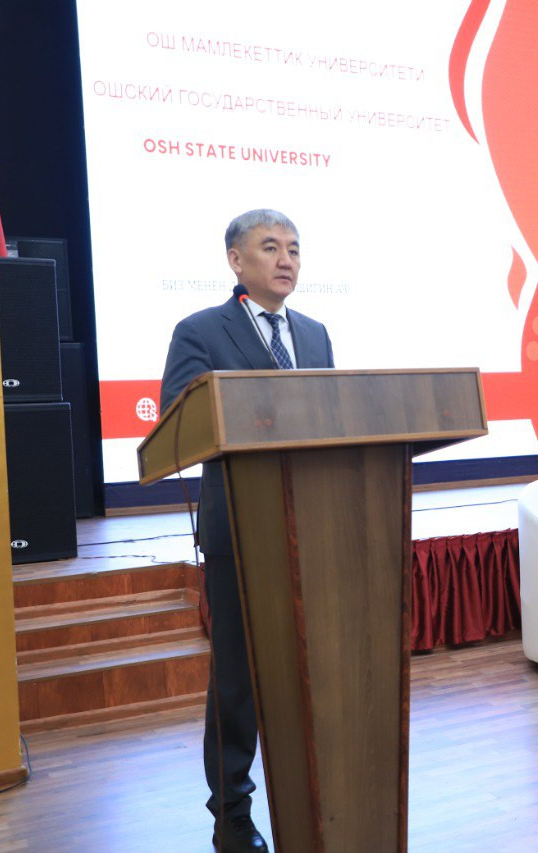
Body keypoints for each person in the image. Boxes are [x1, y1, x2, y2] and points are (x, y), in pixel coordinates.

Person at [160, 209, 334, 853]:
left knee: (311, 668)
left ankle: (315, 789)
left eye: (294, 248)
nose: (286, 260)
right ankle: (231, 811)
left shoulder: (314, 334)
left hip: (313, 524)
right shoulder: (201, 330)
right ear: (236, 260)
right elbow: (180, 420)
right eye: (270, 248)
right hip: (239, 527)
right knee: (238, 676)